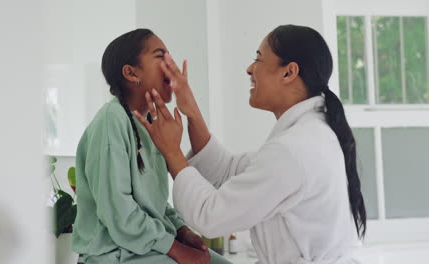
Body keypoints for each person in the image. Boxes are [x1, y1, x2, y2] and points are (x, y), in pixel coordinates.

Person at [134, 25, 367, 264]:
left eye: (258, 59)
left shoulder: (293, 151)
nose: (249, 69)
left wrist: (172, 151)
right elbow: (227, 170)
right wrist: (191, 111)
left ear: (289, 73)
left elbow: (210, 217)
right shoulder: (309, 135)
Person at [72, 28, 231, 264]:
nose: (171, 63)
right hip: (113, 255)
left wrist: (181, 230)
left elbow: (152, 203)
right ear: (131, 72)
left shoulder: (149, 125)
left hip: (144, 250)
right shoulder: (111, 120)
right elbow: (118, 212)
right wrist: (176, 249)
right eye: (160, 55)